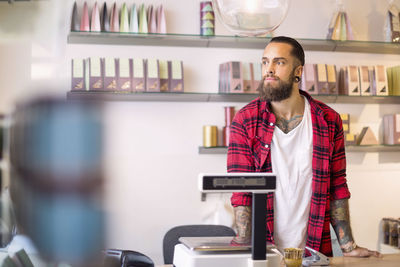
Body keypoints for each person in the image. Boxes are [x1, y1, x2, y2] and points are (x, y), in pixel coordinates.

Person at [227, 36, 380, 258]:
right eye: (264, 62)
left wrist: (348, 246)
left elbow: (337, 185)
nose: (269, 69)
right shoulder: (245, 120)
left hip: (313, 252)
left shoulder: (329, 120)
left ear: (298, 71)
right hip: (263, 252)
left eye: (279, 62)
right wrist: (243, 249)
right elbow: (241, 191)